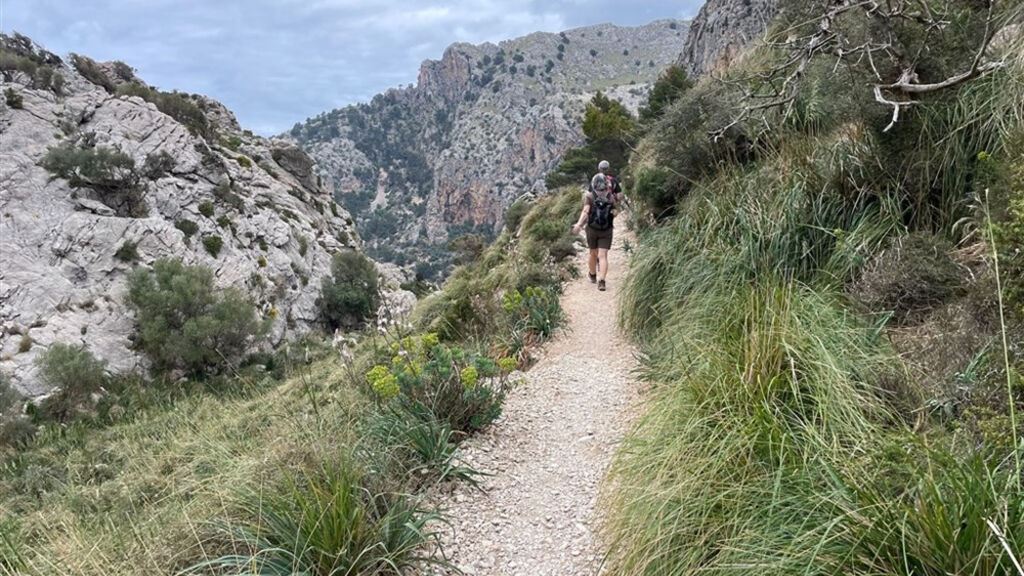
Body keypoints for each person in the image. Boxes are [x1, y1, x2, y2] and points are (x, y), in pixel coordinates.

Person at [571, 160, 623, 291]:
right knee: (603, 255)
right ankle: (602, 281)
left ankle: (593, 275)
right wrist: (612, 212)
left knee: (593, 254)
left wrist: (579, 225)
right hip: (606, 229)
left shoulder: (590, 195)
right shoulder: (611, 197)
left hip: (592, 229)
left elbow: (585, 211)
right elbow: (616, 211)